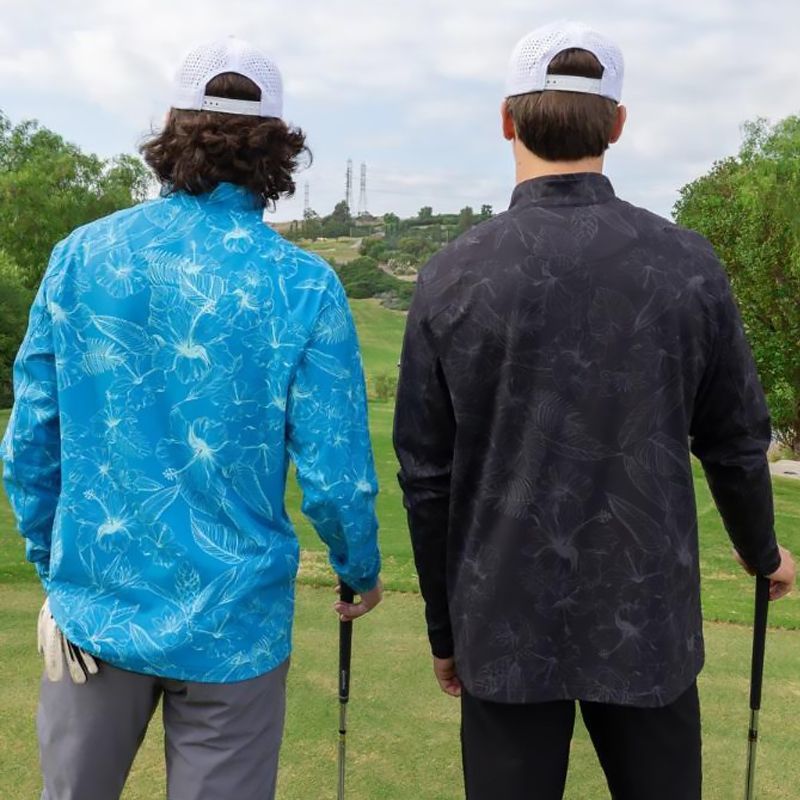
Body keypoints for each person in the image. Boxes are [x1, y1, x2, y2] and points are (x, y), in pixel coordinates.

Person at [393, 19, 795, 800]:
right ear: (616, 125)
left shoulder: (453, 273)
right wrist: (761, 548)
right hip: (647, 620)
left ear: (506, 120)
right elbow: (736, 440)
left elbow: (426, 476)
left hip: (502, 621)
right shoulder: (686, 262)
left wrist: (446, 630)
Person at [1, 36, 382, 800]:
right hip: (234, 626)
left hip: (97, 609)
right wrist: (358, 569)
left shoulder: (83, 256)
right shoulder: (302, 283)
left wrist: (59, 570)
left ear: (173, 133)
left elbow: (32, 444)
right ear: (276, 148)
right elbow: (336, 478)